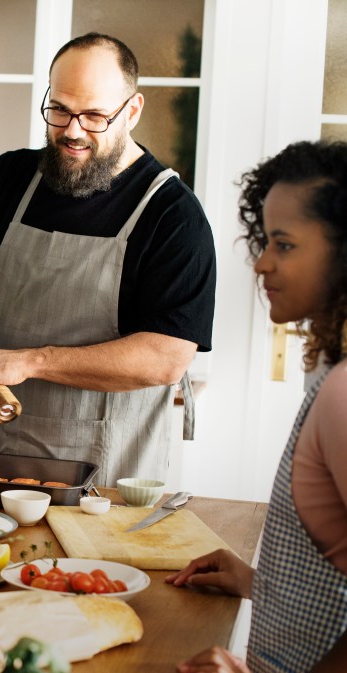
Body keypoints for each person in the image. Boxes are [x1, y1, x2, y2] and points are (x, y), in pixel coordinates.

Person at [0, 33, 216, 486]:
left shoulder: (173, 216)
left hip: (105, 478)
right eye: (60, 109)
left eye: (94, 116)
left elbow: (166, 359)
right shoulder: (13, 177)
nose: (71, 130)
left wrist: (30, 362)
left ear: (132, 110)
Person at [167, 141, 347, 673]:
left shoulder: (341, 393)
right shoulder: (331, 374)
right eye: (265, 240)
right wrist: (258, 581)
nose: (261, 263)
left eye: (284, 245)